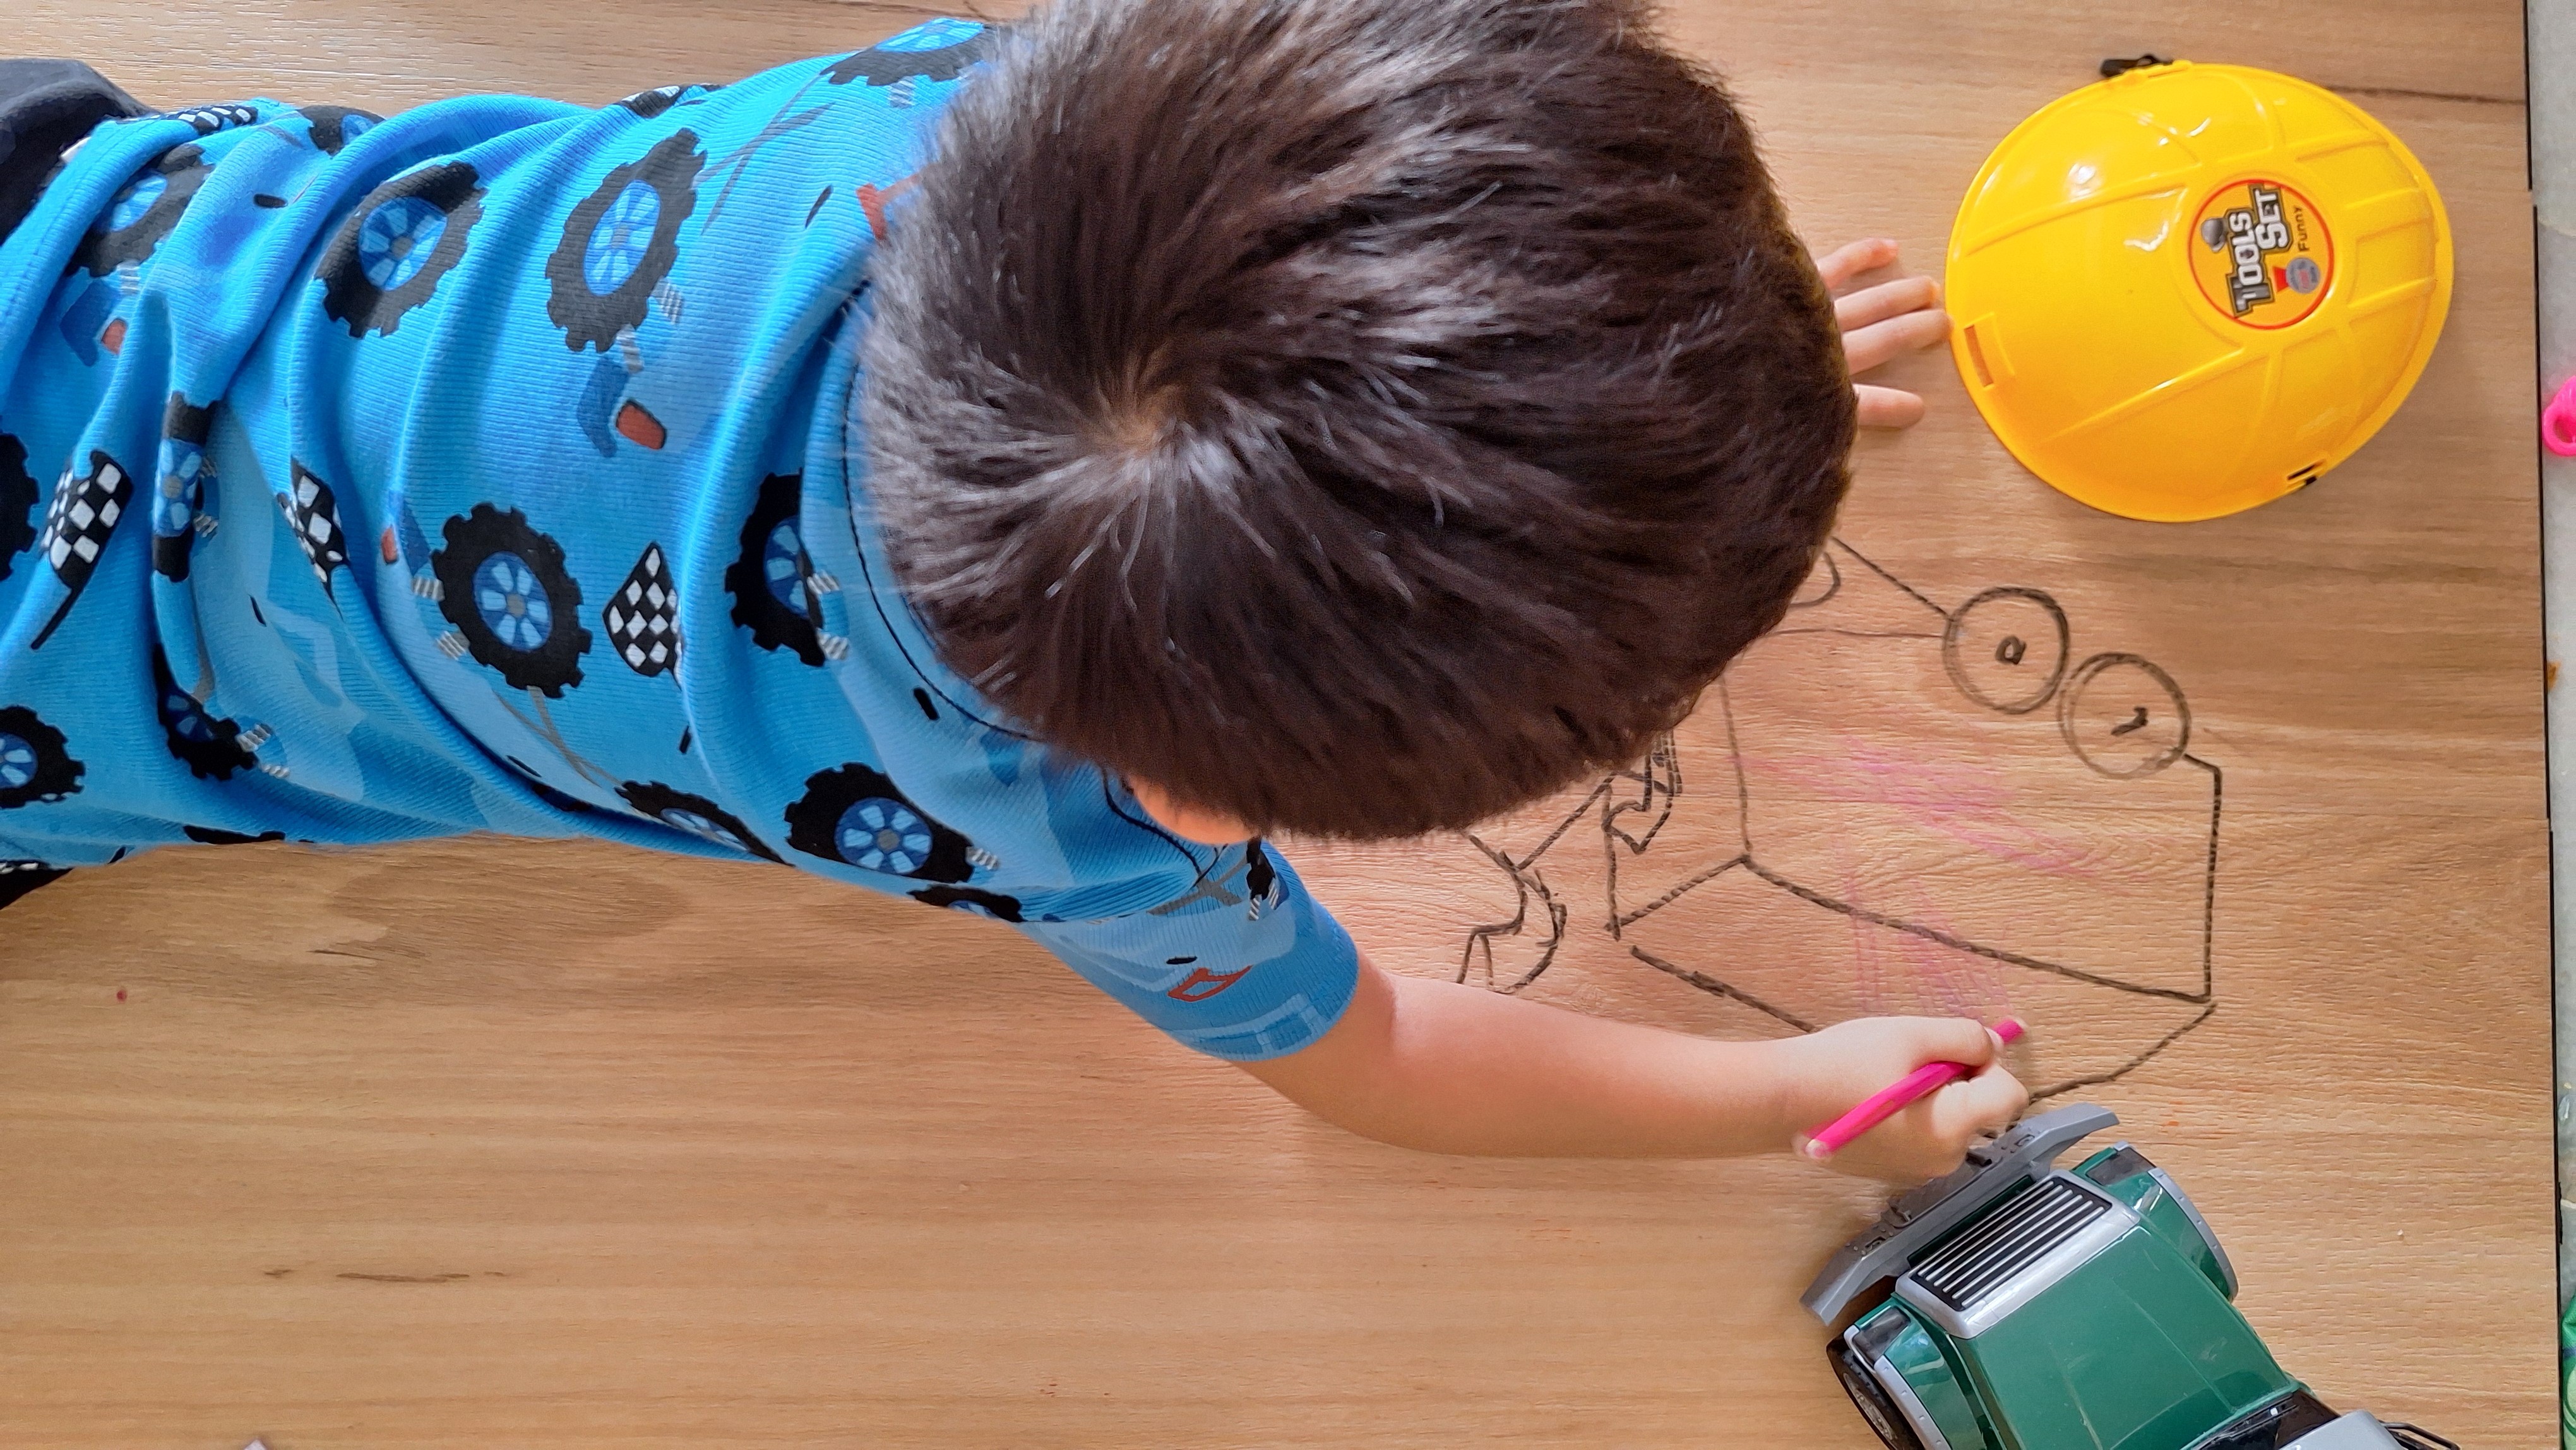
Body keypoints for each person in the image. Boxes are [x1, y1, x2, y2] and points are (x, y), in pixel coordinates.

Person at [0, 0, 2022, 1183]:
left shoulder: (1016, 107)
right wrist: (1786, 1090)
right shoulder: (1059, 828)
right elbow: (1384, 1061)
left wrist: (1647, 392)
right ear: (1199, 804)